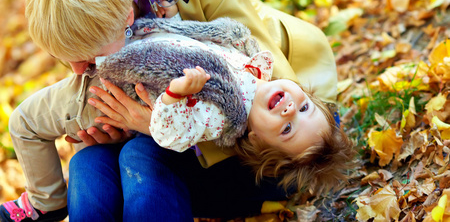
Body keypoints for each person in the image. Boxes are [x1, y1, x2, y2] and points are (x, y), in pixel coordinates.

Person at [0, 0, 345, 221]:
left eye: (86, 58)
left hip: (269, 150)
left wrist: (151, 125)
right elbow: (87, 97)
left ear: (127, 15)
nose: (77, 70)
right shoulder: (77, 17)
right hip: (173, 124)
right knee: (86, 164)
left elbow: (267, 94)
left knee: (139, 155)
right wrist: (108, 130)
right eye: (70, 58)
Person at [94, 15, 353, 193]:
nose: (290, 111)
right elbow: (202, 40)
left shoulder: (221, 116)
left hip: (122, 76)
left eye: (287, 129)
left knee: (86, 156)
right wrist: (172, 18)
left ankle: (52, 202)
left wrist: (175, 93)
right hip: (146, 36)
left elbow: (171, 132)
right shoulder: (257, 64)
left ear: (255, 140)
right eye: (304, 108)